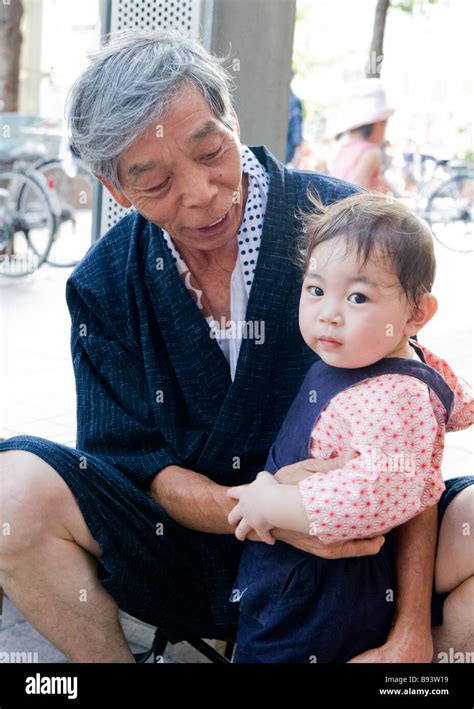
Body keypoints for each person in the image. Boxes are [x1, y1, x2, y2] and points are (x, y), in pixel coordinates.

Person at [0, 30, 472, 664]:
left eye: (210, 151)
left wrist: (411, 627)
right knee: (12, 489)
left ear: (232, 121)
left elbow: (412, 441)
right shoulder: (104, 285)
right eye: (156, 180)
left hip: (362, 548)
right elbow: (135, 463)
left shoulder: (347, 228)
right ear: (117, 191)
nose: (199, 193)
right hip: (193, 555)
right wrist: (270, 512)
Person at [227, 192, 473, 662]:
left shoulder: (391, 395)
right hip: (300, 579)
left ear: (416, 314)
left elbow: (369, 497)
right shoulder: (390, 358)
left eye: (358, 297)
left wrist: (269, 502)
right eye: (316, 290)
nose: (329, 313)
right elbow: (456, 401)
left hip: (321, 597)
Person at [328, 78, 394, 192]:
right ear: (377, 123)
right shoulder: (372, 153)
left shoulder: (343, 148)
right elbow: (358, 191)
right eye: (384, 124)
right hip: (359, 208)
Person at [286, 71, 304, 165]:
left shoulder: (293, 101)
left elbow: (296, 128)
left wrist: (297, 149)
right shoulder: (292, 99)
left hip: (286, 149)